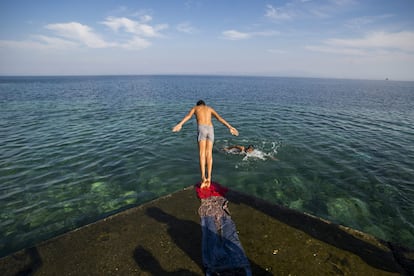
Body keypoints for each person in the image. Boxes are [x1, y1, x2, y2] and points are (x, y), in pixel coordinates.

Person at [172, 100, 239, 188]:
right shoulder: (209, 108)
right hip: (210, 129)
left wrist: (180, 124)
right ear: (204, 104)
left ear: (198, 105)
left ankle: (203, 178)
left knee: (202, 154)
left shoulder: (195, 108)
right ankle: (209, 178)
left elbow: (188, 116)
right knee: (209, 154)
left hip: (202, 128)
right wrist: (230, 127)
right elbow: (219, 118)